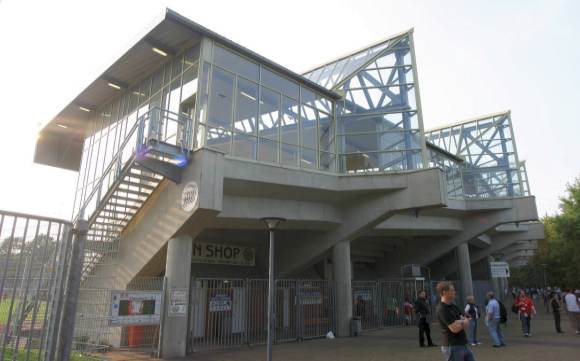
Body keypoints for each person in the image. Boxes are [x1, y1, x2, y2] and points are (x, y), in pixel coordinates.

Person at [435, 282, 475, 361]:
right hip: (452, 345)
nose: (454, 292)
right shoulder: (442, 309)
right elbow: (454, 329)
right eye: (452, 290)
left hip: (463, 344)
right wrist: (462, 321)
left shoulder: (454, 306)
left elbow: (466, 322)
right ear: (444, 292)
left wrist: (459, 322)